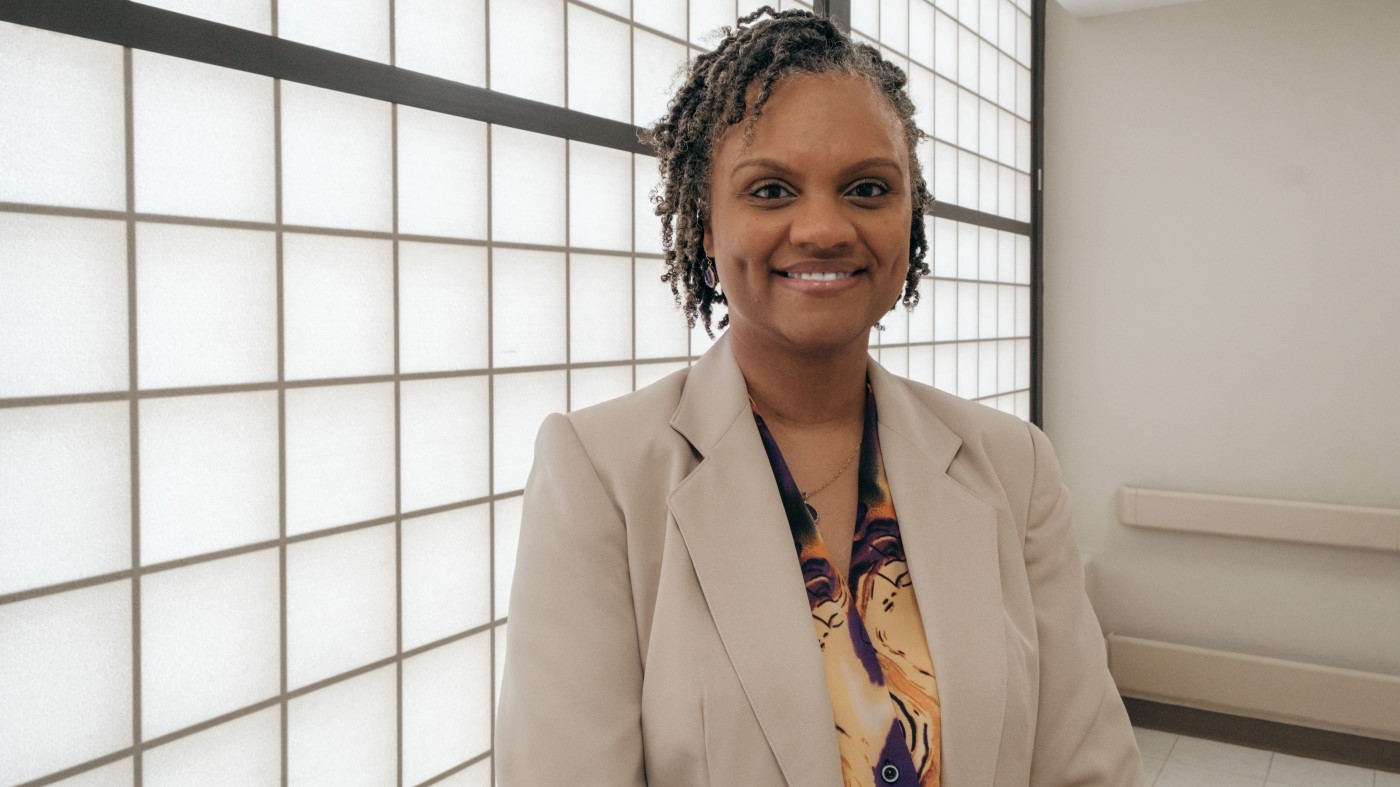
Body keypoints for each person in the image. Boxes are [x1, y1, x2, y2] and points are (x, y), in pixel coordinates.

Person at [495, 8, 1142, 786]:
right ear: (705, 222)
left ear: (909, 217)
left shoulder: (1013, 465)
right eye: (770, 190)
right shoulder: (599, 476)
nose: (824, 227)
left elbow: (1087, 766)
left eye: (868, 188)